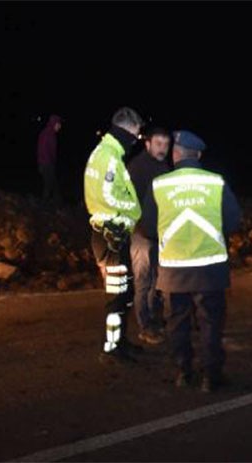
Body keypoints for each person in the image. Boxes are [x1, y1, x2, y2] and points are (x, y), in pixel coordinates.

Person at [145, 130, 241, 391]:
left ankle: (183, 373)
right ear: (198, 155)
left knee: (178, 323)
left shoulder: (160, 185)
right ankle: (210, 378)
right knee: (210, 323)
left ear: (175, 155)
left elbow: (148, 228)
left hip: (173, 271)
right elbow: (233, 221)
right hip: (210, 270)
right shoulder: (216, 182)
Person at [83, 107, 144, 365]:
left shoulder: (107, 153)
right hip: (111, 235)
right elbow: (108, 196)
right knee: (116, 295)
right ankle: (110, 349)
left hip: (114, 234)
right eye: (136, 134)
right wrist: (134, 208)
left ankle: (120, 341)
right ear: (127, 130)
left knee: (124, 293)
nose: (136, 139)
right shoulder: (108, 157)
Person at [126, 126, 171, 345]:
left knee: (157, 281)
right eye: (158, 144)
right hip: (141, 235)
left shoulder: (164, 167)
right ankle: (145, 326)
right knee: (143, 281)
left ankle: (154, 319)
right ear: (148, 144)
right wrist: (141, 227)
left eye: (166, 144)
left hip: (158, 234)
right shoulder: (137, 167)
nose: (163, 148)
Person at [36, 114, 62, 206]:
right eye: (58, 124)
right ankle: (43, 205)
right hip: (46, 164)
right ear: (54, 124)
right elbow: (44, 150)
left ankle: (56, 203)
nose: (60, 126)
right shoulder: (48, 134)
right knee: (49, 185)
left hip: (46, 163)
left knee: (53, 184)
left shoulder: (49, 133)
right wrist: (48, 163)